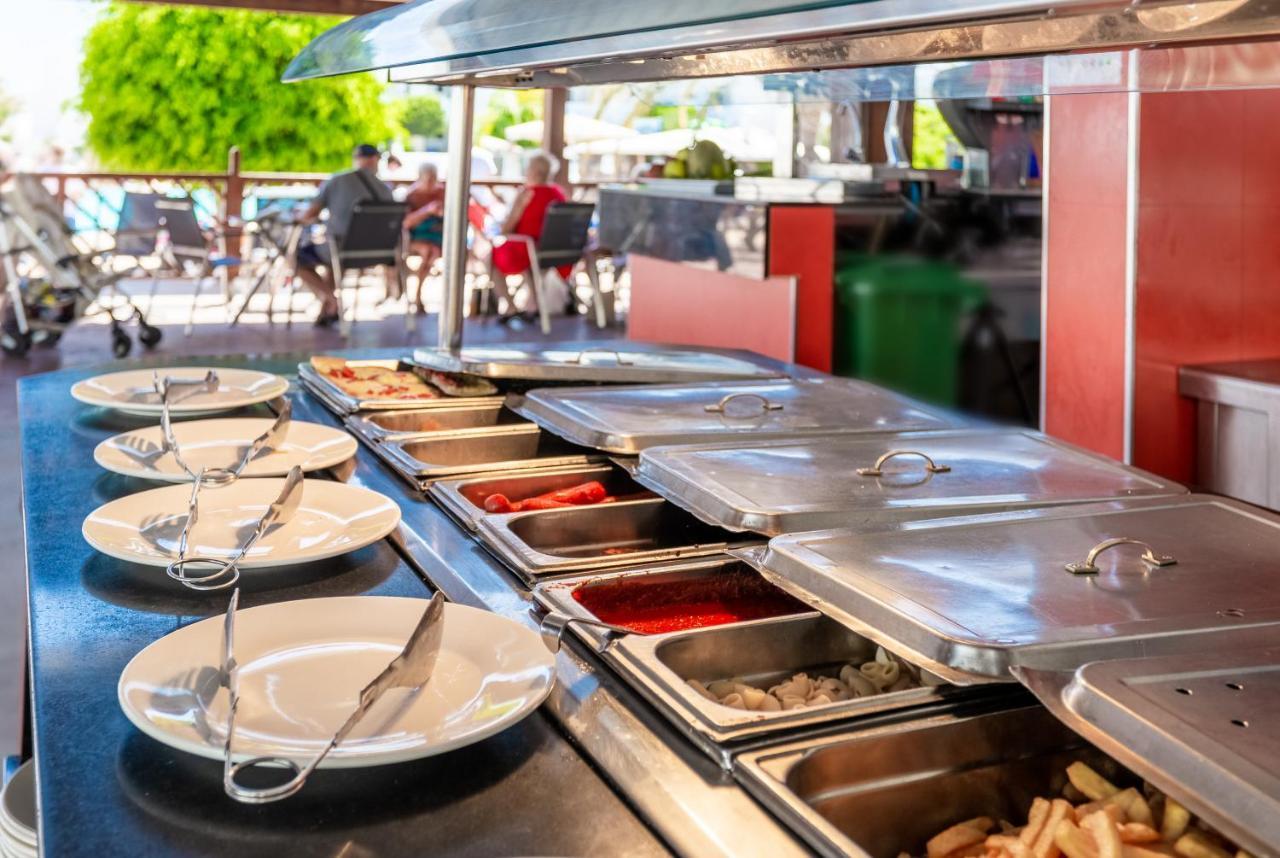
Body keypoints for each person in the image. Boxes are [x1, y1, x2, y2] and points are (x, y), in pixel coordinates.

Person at [295, 143, 394, 327]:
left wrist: (298, 216)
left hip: (342, 249)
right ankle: (328, 310)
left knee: (294, 258)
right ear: (374, 160)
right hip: (378, 253)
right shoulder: (385, 189)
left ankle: (332, 301)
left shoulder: (337, 180)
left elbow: (309, 214)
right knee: (333, 264)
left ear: (357, 159)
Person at [489, 152, 569, 324]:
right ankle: (534, 305)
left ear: (533, 171)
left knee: (489, 257)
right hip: (555, 252)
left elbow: (506, 229)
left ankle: (510, 307)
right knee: (525, 259)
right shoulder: (558, 194)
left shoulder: (527, 194)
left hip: (530, 249)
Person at [402, 162, 446, 314]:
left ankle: (420, 295)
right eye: (427, 179)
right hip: (417, 237)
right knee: (429, 251)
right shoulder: (411, 195)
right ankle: (418, 295)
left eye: (433, 178)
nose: (430, 182)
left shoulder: (442, 192)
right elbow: (406, 223)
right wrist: (426, 211)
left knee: (434, 251)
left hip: (438, 235)